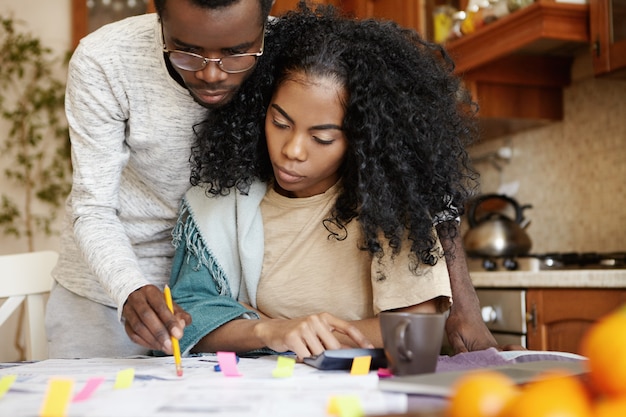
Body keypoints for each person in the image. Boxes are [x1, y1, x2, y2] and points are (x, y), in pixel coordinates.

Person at [168, 3, 497, 359]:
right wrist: (270, 328)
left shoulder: (388, 207)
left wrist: (286, 332)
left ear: (361, 139)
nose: (292, 150)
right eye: (280, 123)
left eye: (322, 138)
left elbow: (415, 331)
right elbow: (188, 318)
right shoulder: (217, 207)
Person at [45, 0, 276, 359]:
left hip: (226, 300)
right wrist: (129, 288)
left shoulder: (290, 52)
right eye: (187, 52)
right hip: (109, 293)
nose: (212, 74)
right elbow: (93, 207)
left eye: (237, 53)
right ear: (159, 16)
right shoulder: (106, 60)